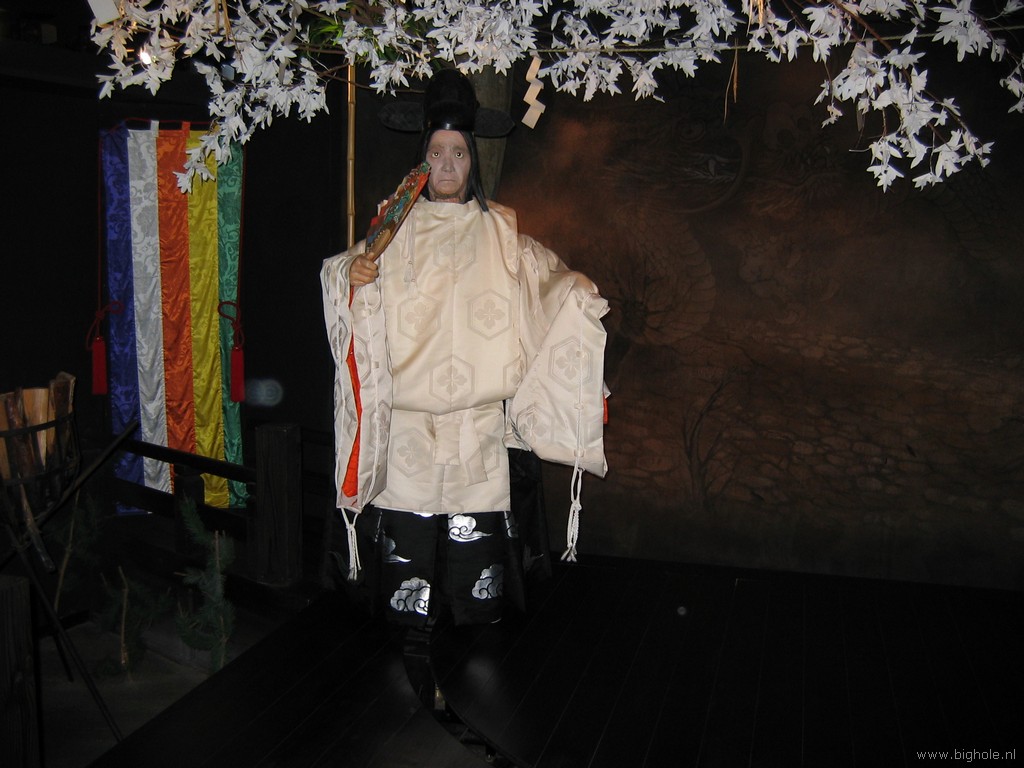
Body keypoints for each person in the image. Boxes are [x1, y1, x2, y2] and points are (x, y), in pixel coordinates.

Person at [321, 69, 609, 629]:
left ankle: (477, 648)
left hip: (477, 426)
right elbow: (341, 274)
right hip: (408, 428)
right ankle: (409, 647)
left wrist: (572, 290)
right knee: (407, 565)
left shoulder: (501, 231)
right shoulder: (391, 227)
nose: (447, 166)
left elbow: (544, 281)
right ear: (421, 161)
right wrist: (353, 278)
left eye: (458, 153)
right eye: (436, 153)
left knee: (478, 574)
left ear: (472, 159)